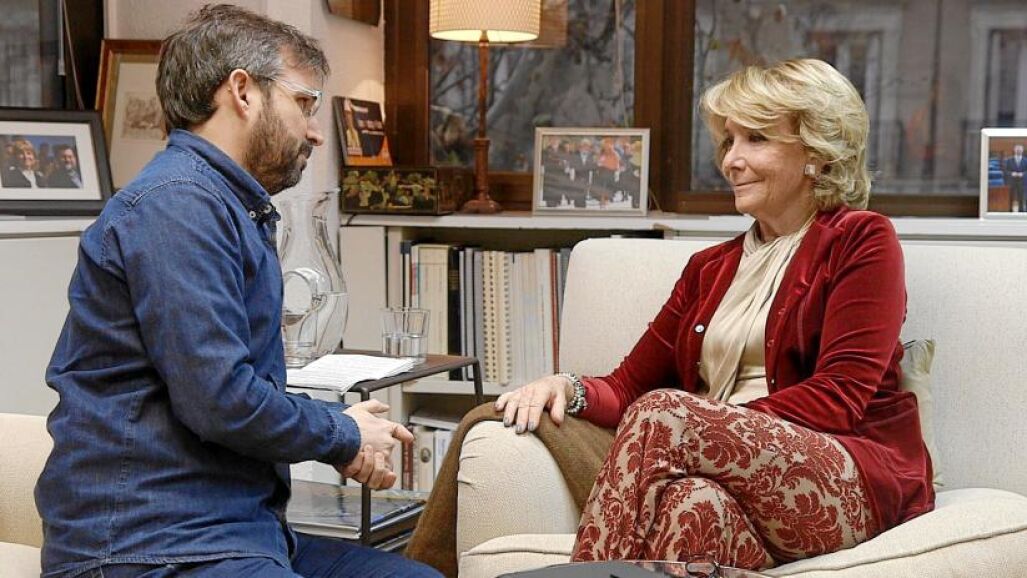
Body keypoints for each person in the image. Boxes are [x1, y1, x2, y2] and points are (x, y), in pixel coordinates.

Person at [36, 5, 440, 577]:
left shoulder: (224, 204)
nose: (316, 131)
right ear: (243, 92)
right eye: (305, 103)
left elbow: (227, 387)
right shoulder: (177, 205)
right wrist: (343, 433)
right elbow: (220, 399)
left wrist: (345, 432)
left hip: (235, 532)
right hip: (146, 543)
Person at [494, 59, 934, 570]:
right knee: (693, 505)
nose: (732, 160)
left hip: (848, 479)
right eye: (729, 141)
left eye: (756, 139)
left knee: (665, 413)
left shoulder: (862, 240)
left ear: (816, 152)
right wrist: (565, 388)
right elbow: (628, 386)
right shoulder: (708, 269)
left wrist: (707, 427)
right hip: (729, 480)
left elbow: (839, 397)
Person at [1005, 144, 1026, 212]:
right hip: (1012, 181)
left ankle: (1021, 211)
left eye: (1020, 149)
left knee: (1021, 197)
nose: (1018, 151)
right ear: (1014, 150)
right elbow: (1005, 171)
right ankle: (1009, 210)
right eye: (1017, 149)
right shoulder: (1009, 160)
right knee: (1010, 197)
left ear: (1022, 150)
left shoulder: (1026, 160)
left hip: (1022, 181)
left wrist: (1023, 174)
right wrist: (1011, 173)